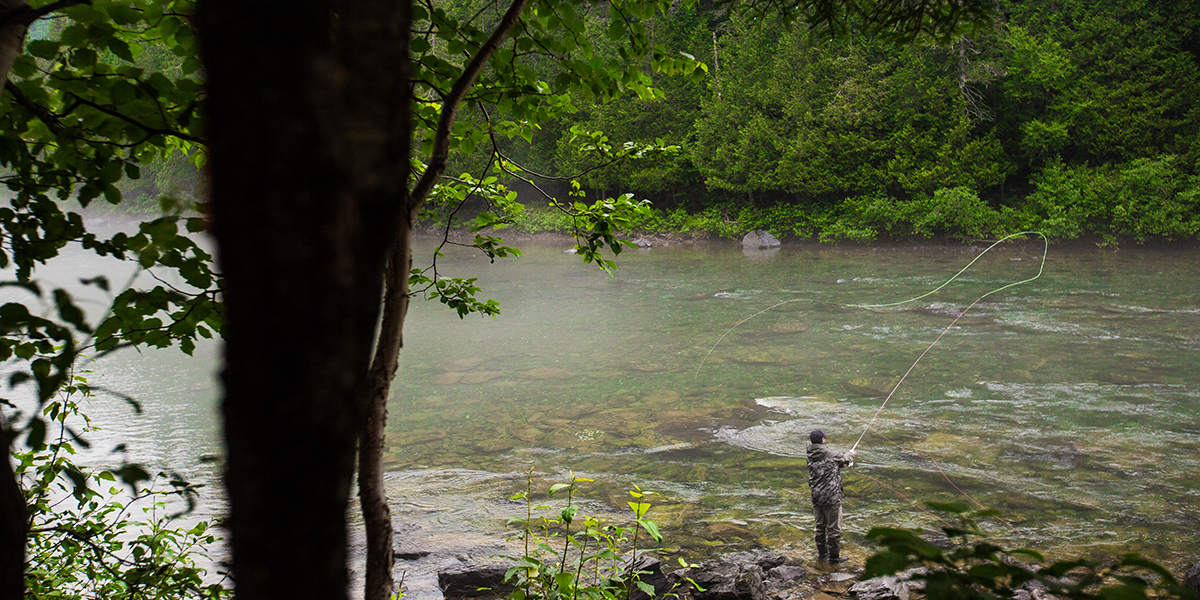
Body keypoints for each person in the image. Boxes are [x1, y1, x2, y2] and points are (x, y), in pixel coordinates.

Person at [806, 429, 855, 564]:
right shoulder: (830, 453)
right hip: (831, 497)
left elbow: (831, 465)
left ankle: (822, 555)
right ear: (822, 440)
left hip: (816, 496)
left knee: (820, 527)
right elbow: (844, 458)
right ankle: (834, 558)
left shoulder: (810, 455)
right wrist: (850, 454)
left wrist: (843, 463)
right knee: (834, 529)